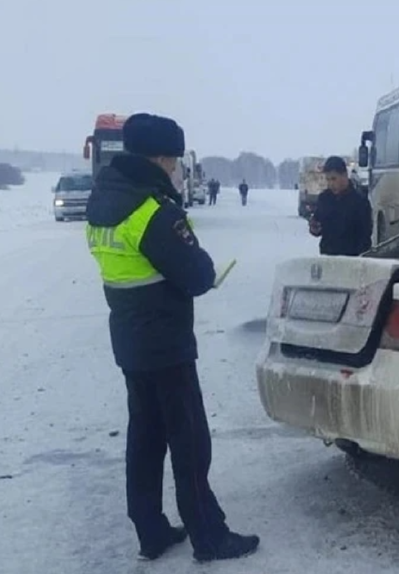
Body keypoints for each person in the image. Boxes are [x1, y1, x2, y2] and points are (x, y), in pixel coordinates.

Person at [84, 113, 260, 563]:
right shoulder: (152, 211)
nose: (179, 170)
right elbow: (198, 274)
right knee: (190, 441)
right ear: (162, 159)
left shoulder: (103, 200)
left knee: (144, 439)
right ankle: (210, 536)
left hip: (129, 339)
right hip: (165, 344)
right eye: (176, 161)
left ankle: (151, 531)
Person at [308, 156, 373, 256]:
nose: (330, 184)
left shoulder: (360, 202)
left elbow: (365, 236)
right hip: (328, 258)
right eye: (328, 179)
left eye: (334, 179)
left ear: (344, 175)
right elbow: (318, 226)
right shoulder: (324, 199)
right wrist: (314, 228)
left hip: (352, 260)